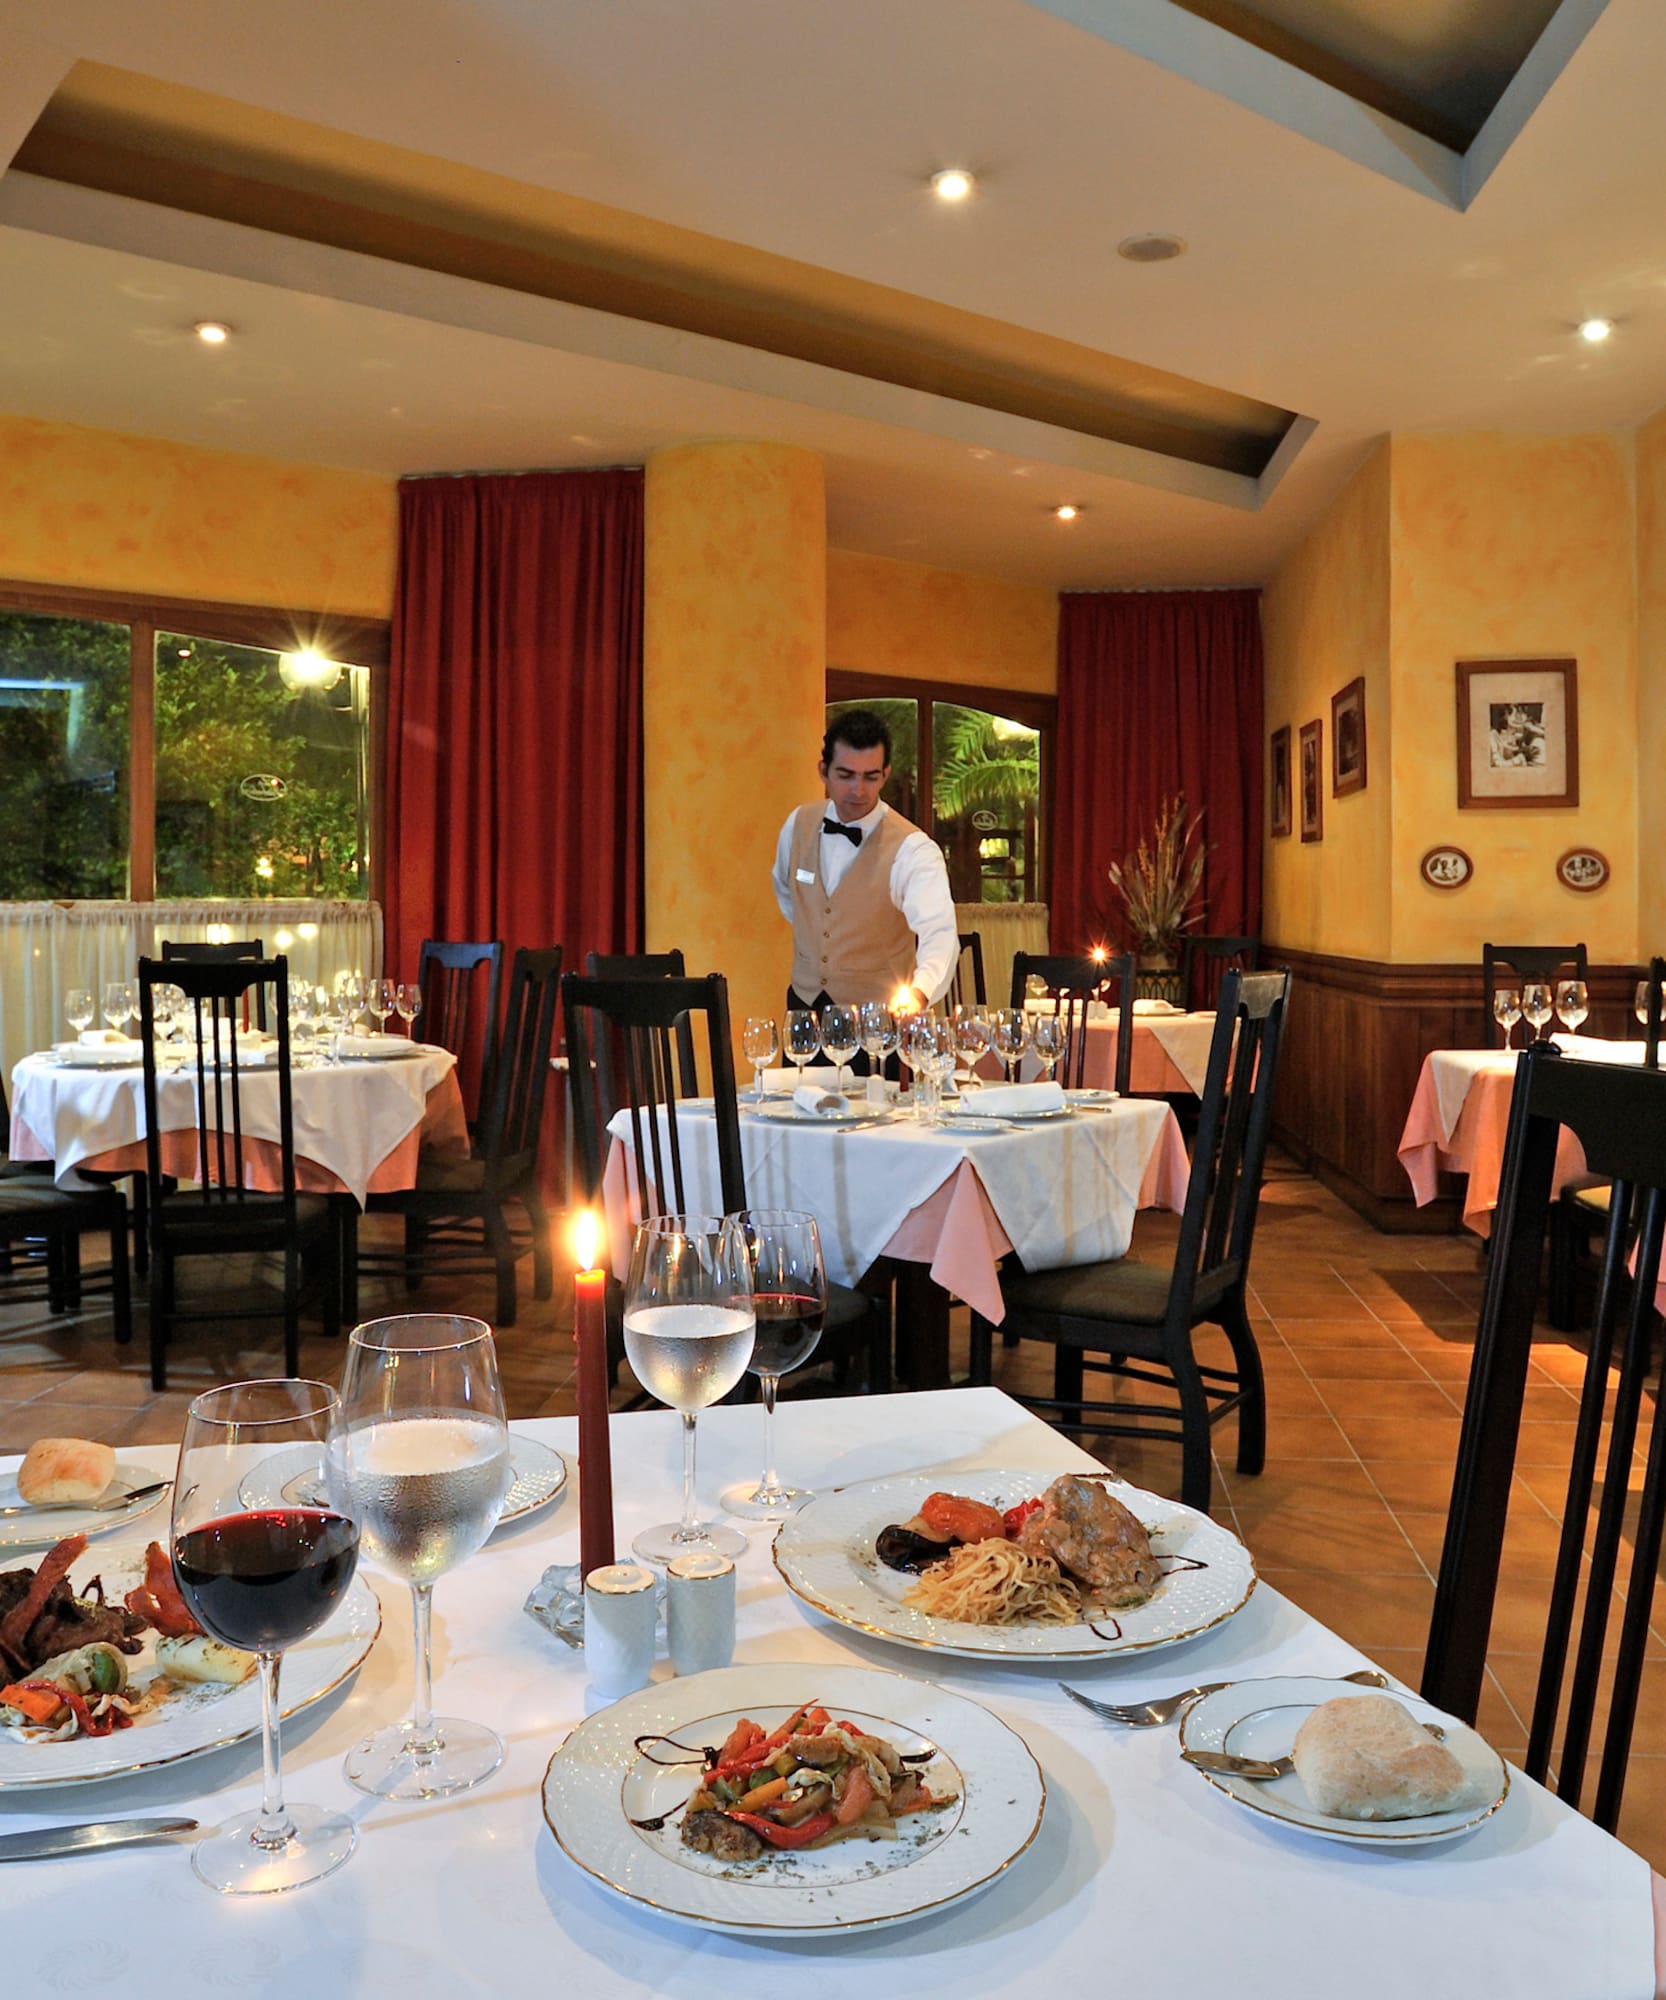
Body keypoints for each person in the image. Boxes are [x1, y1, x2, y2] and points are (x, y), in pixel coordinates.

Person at [772, 709, 958, 1022]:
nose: (858, 790)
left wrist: (919, 992)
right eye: (845, 775)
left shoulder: (913, 849)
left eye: (870, 777)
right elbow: (787, 894)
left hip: (877, 1021)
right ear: (824, 770)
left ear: (885, 774)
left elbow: (939, 933)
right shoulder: (797, 825)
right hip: (804, 1009)